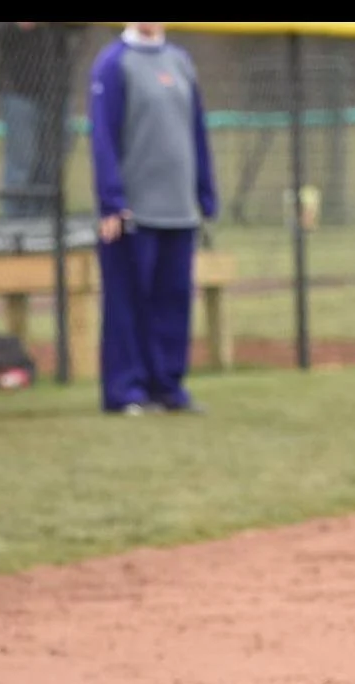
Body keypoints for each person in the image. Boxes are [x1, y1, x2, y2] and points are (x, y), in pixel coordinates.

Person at [87, 21, 217, 415]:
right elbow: (103, 136)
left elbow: (195, 130)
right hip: (134, 212)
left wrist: (204, 192)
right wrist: (112, 202)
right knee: (128, 303)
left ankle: (168, 387)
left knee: (174, 302)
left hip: (178, 211)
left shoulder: (180, 62)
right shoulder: (113, 63)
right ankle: (126, 391)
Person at [0, 22, 82, 219]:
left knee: (52, 165)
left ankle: (48, 230)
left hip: (56, 86)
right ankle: (16, 230)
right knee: (22, 165)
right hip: (17, 88)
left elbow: (81, 27)